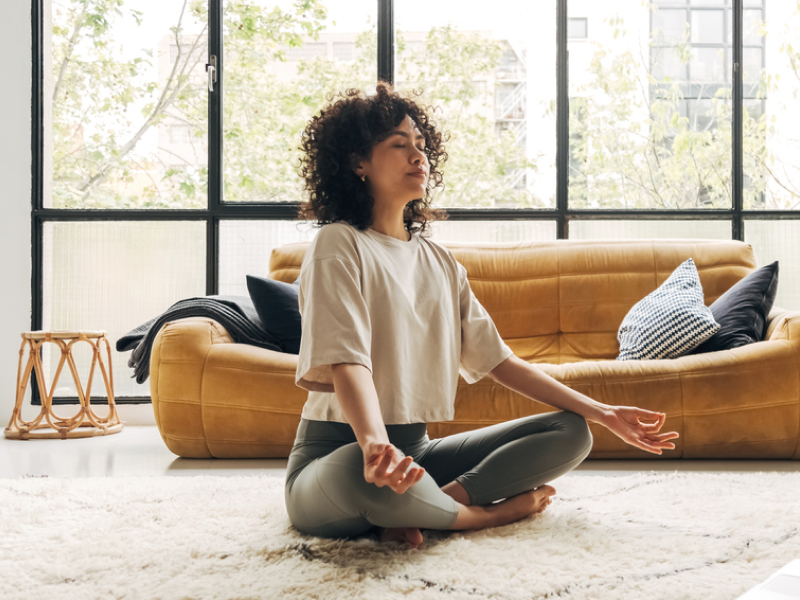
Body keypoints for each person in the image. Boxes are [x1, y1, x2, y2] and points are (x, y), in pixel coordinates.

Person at [286, 82, 680, 550]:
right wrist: (374, 445)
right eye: (399, 144)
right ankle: (478, 517)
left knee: (570, 430)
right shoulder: (339, 243)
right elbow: (347, 360)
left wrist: (602, 411)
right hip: (338, 454)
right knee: (359, 472)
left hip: (417, 454)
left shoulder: (440, 262)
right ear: (358, 163)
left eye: (421, 145)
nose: (418, 156)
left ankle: (435, 502)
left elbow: (499, 362)